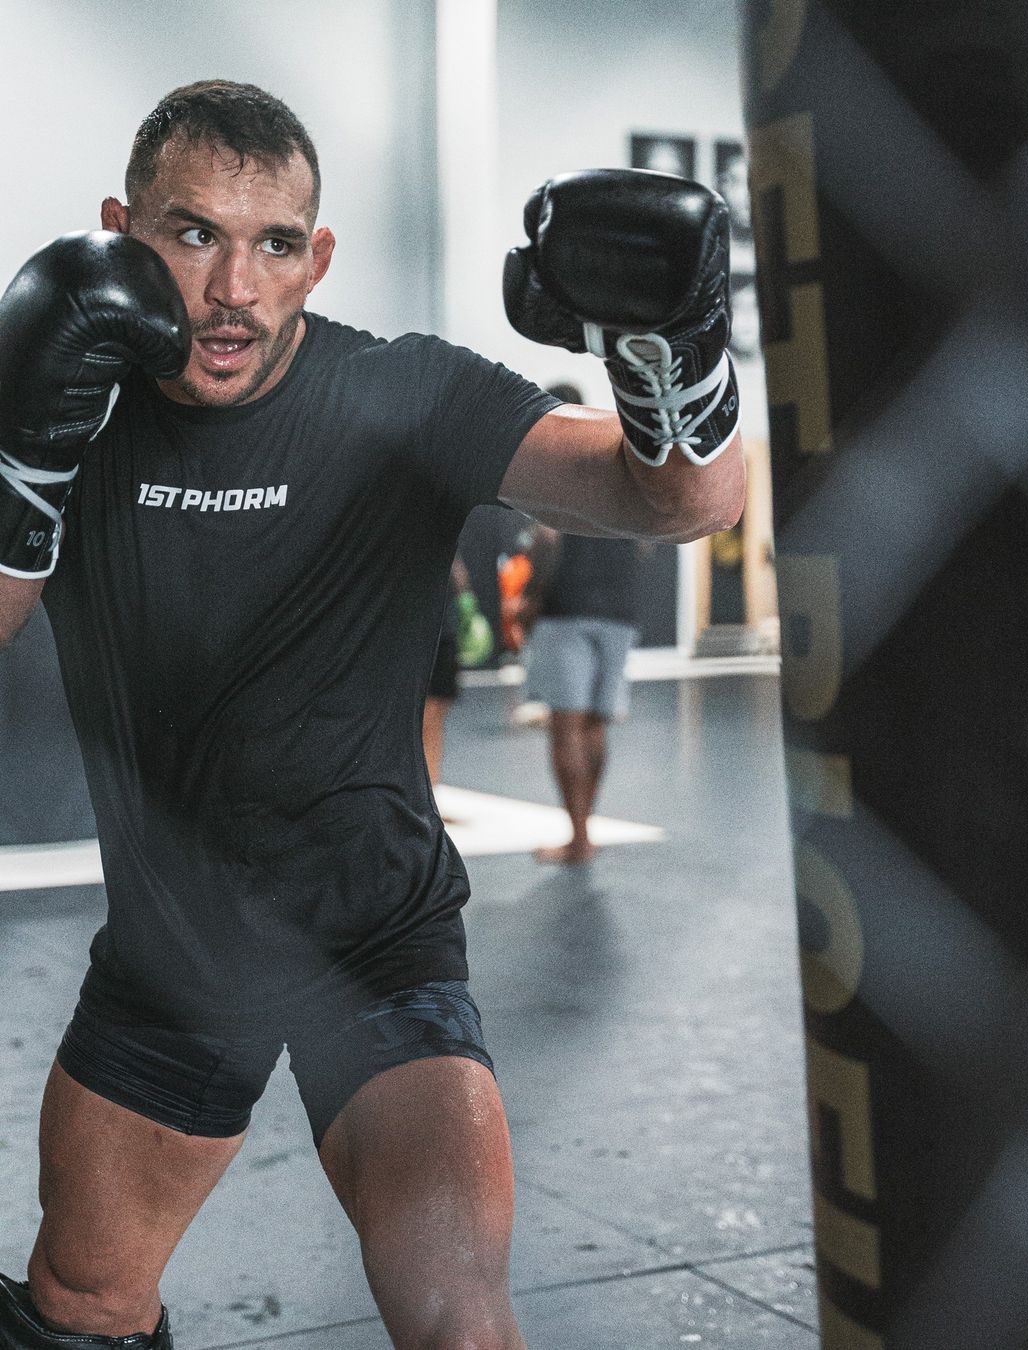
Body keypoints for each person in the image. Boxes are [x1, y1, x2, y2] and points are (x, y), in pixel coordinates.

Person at [0, 81, 744, 1350]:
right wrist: (23, 452)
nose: (234, 288)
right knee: (79, 1312)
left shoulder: (406, 395)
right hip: (173, 955)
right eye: (193, 236)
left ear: (317, 255)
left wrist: (670, 354)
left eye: (274, 243)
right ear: (122, 232)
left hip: (377, 940)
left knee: (459, 1319)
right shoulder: (86, 412)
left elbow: (678, 505)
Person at [516, 385, 643, 865]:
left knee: (565, 725)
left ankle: (579, 839)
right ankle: (586, 830)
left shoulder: (554, 465)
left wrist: (529, 601)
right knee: (594, 724)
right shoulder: (621, 461)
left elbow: (547, 541)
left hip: (566, 608)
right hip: (618, 611)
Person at [423, 553, 492, 790]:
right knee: (430, 718)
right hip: (432, 631)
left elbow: (457, 569)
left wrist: (467, 606)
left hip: (438, 631)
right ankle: (428, 790)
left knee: (432, 717)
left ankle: (429, 790)